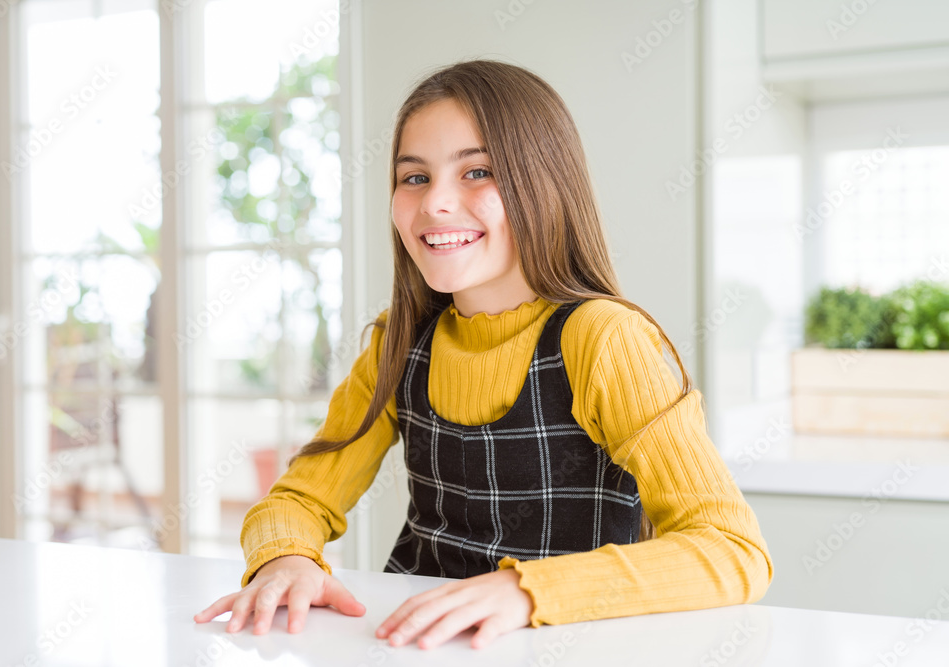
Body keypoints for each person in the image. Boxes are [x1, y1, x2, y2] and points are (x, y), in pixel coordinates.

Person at [194, 58, 773, 650]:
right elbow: (299, 498)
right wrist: (283, 559)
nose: (435, 203)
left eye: (477, 172)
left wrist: (523, 591)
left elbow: (731, 550)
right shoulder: (400, 341)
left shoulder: (602, 337)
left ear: (543, 183)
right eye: (414, 177)